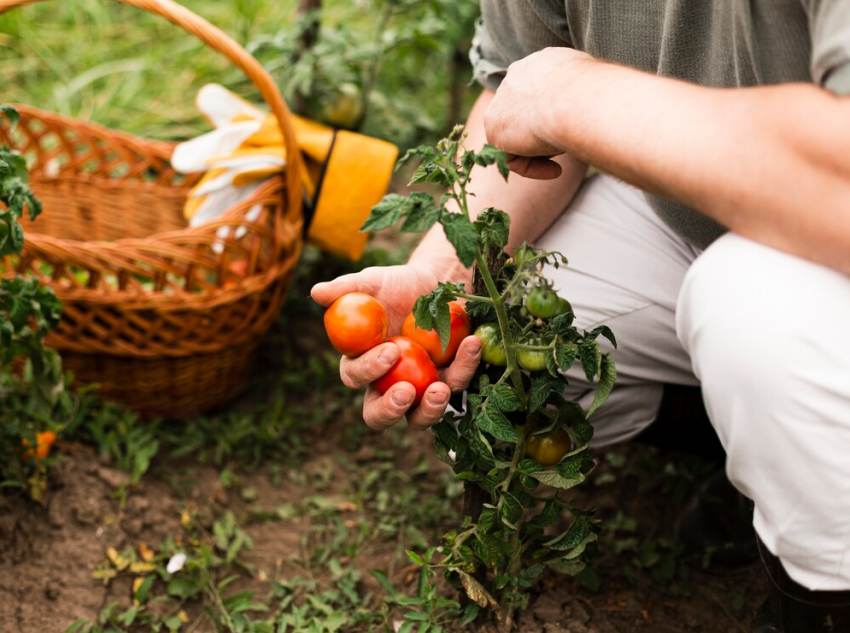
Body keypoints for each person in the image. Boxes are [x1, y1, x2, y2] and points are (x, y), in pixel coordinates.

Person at [311, 2, 850, 630]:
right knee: (500, 358)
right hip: (686, 207)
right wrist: (440, 283)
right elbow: (518, 103)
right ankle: (762, 463)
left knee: (751, 311)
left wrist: (574, 95)